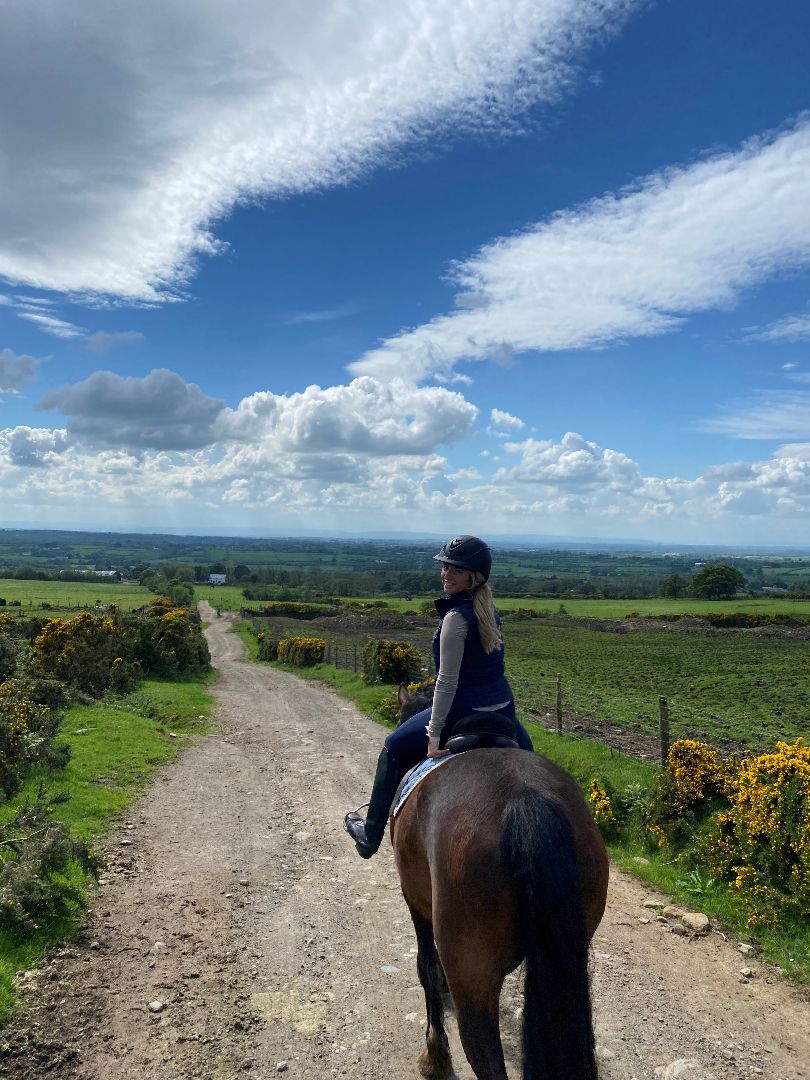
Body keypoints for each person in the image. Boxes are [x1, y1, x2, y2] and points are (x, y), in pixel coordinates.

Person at [343, 535, 534, 859]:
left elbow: (446, 682)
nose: (446, 573)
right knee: (530, 761)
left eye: (456, 569)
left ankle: (369, 836)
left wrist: (433, 735)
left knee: (392, 747)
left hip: (462, 710)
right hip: (504, 710)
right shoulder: (487, 609)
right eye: (445, 566)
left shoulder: (455, 619)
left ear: (473, 576)